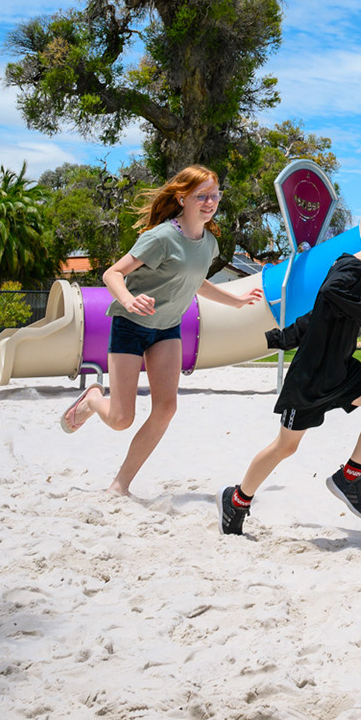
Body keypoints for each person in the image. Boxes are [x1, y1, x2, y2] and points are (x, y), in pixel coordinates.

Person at [60, 166, 263, 496]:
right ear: (183, 198)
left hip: (167, 329)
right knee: (121, 419)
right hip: (130, 326)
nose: (210, 201)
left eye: (215, 195)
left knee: (166, 409)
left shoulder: (209, 242)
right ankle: (94, 399)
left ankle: (119, 485)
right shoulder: (161, 237)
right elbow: (113, 273)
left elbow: (196, 281)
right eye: (202, 195)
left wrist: (236, 300)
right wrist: (127, 299)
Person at [218, 226, 361, 534]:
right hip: (311, 378)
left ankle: (349, 476)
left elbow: (319, 313)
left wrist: (284, 337)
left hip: (340, 370)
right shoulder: (351, 269)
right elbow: (330, 296)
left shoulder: (349, 273)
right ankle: (237, 500)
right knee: (285, 447)